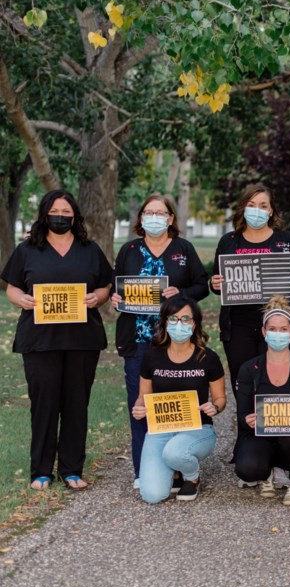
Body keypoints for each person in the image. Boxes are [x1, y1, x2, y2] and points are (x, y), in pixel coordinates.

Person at [1, 189, 113, 491]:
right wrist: (21, 299)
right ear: (45, 214)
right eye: (55, 212)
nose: (60, 217)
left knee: (77, 403)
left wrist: (97, 297)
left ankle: (72, 469)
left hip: (82, 339)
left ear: (74, 216)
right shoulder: (28, 250)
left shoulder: (89, 249)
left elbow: (106, 285)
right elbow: (11, 286)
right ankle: (41, 471)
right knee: (44, 404)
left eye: (66, 213)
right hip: (40, 340)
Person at [112, 194, 209, 489]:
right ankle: (144, 468)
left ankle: (178, 465)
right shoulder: (128, 249)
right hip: (138, 340)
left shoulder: (183, 248)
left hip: (175, 341)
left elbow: (203, 285)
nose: (154, 217)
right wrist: (117, 298)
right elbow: (118, 287)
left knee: (174, 403)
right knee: (140, 405)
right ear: (141, 218)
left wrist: (182, 293)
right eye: (148, 212)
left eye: (160, 212)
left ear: (170, 218)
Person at [210, 184, 290, 399]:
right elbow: (216, 282)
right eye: (252, 204)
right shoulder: (228, 241)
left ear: (271, 210)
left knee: (275, 379)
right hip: (238, 325)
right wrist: (215, 283)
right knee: (242, 380)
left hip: (276, 324)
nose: (257, 210)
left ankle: (272, 429)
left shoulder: (287, 241)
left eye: (263, 205)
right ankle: (247, 429)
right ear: (243, 209)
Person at [132, 296, 227, 503]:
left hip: (198, 429)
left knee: (174, 453)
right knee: (152, 495)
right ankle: (174, 471)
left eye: (185, 319)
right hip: (161, 430)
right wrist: (139, 408)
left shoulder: (208, 358)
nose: (179, 324)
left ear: (195, 324)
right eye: (173, 319)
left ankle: (191, 477)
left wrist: (215, 406)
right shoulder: (151, 356)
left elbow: (220, 398)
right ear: (165, 322)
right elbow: (142, 397)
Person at [234, 296, 290, 506]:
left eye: (283, 329)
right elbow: (240, 417)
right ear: (264, 332)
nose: (278, 333)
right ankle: (266, 472)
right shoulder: (249, 369)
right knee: (248, 469)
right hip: (262, 436)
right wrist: (248, 419)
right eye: (273, 329)